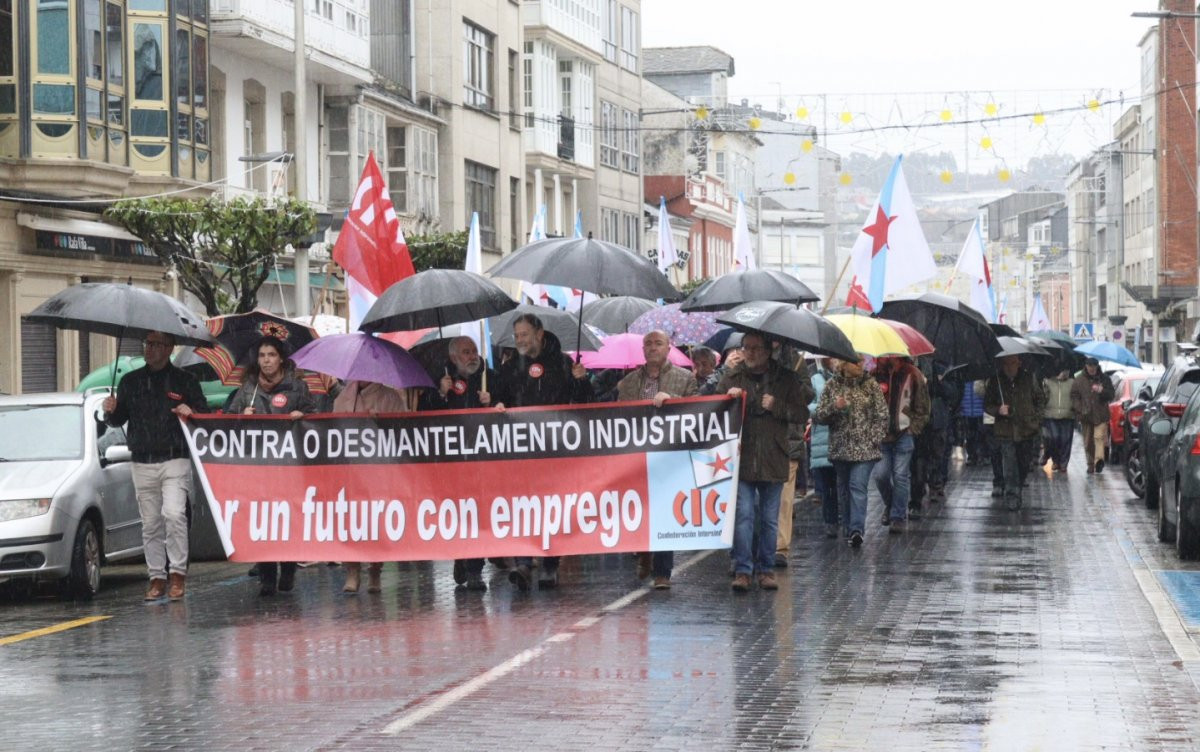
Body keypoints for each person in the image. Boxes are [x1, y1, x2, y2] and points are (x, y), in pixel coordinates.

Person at [102, 331, 206, 601]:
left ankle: (178, 575)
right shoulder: (130, 382)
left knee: (173, 515)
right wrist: (110, 410)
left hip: (175, 458)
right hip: (142, 460)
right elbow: (116, 421)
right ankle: (156, 577)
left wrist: (191, 412)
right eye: (148, 344)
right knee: (150, 523)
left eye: (157, 344)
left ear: (170, 348)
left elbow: (202, 415)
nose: (150, 349)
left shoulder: (185, 381)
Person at [493, 313, 593, 590]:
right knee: (524, 506)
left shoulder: (564, 363)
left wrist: (582, 381)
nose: (520, 340)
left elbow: (586, 403)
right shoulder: (511, 366)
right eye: (516, 336)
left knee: (552, 508)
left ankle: (550, 565)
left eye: (524, 334)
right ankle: (524, 563)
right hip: (522, 451)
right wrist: (498, 405)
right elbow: (500, 399)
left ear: (539, 333)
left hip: (555, 450)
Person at [717, 332, 812, 592]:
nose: (750, 353)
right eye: (746, 348)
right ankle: (743, 568)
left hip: (774, 455)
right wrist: (729, 397)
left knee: (770, 518)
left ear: (768, 350)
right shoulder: (733, 376)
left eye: (756, 348)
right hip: (743, 457)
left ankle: (766, 568)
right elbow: (712, 405)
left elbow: (802, 411)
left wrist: (777, 406)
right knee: (744, 515)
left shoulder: (786, 377)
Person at [226, 336, 318, 595]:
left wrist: (303, 417)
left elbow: (317, 419)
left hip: (289, 468)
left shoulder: (297, 388)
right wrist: (241, 417)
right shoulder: (248, 390)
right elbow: (226, 422)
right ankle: (267, 575)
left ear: (281, 359)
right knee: (263, 519)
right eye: (262, 355)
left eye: (271, 355)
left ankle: (288, 567)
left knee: (287, 517)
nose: (266, 360)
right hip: (259, 467)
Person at [617, 330, 698, 589]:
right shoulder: (628, 382)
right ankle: (644, 553)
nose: (652, 348)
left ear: (668, 347)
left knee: (664, 510)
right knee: (639, 509)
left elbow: (699, 412)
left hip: (669, 456)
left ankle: (663, 571)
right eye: (648, 344)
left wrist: (674, 402)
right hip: (636, 455)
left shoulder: (685, 379)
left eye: (658, 343)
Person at [421, 336, 500, 591]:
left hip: (481, 460)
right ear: (454, 357)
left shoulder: (490, 376)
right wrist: (440, 394)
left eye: (474, 350)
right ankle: (461, 555)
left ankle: (475, 568)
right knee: (459, 514)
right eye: (466, 352)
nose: (472, 356)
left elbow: (507, 408)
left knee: (477, 513)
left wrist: (493, 403)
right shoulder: (441, 379)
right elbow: (423, 415)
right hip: (452, 462)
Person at [333, 379, 408, 594]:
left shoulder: (390, 397)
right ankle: (352, 570)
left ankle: (375, 569)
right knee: (351, 519)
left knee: (376, 520)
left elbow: (404, 430)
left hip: (379, 468)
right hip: (350, 467)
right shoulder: (343, 397)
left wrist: (382, 422)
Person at [812, 357, 888, 547]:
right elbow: (820, 416)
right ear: (844, 364)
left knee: (857, 486)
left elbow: (882, 415)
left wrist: (874, 438)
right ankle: (848, 526)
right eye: (856, 362)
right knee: (844, 489)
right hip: (840, 448)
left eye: (862, 362)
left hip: (865, 450)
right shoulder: (832, 385)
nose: (861, 365)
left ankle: (856, 529)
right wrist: (835, 408)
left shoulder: (870, 385)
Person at [870, 356, 930, 533]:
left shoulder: (913, 374)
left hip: (904, 434)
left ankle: (897, 516)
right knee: (880, 476)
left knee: (900, 476)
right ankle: (890, 504)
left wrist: (914, 428)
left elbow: (923, 407)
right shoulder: (874, 376)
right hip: (881, 436)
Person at [984, 354, 1046, 510]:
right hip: (1006, 430)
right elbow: (987, 404)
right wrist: (998, 410)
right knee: (1009, 463)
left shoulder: (1029, 379)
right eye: (1006, 363)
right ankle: (1012, 496)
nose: (1009, 367)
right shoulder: (996, 381)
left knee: (1023, 464)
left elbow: (1040, 400)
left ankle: (1017, 488)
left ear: (1019, 363)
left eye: (1013, 363)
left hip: (1026, 429)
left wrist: (1036, 420)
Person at [775, 347, 811, 566]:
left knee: (784, 498)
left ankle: (780, 547)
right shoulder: (749, 360)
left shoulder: (797, 362)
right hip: (757, 442)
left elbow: (806, 397)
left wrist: (793, 381)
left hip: (788, 440)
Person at [807, 358, 839, 539]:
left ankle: (849, 520)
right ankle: (831, 521)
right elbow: (809, 406)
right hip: (822, 439)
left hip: (843, 438)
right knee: (827, 485)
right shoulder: (816, 380)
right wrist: (828, 408)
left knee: (844, 484)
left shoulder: (846, 381)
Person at [1071, 357, 1116, 474]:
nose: (1091, 368)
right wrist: (1080, 408)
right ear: (1086, 366)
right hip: (1086, 415)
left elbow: (1111, 394)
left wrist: (1102, 391)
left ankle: (1098, 461)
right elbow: (1074, 396)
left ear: (1097, 366)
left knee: (1099, 437)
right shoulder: (1079, 380)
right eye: (1089, 366)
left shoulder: (1104, 379)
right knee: (1088, 442)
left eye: (1094, 366)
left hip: (1101, 415)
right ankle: (1090, 464)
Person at [1042, 367, 1075, 472]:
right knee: (1053, 439)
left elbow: (1077, 396)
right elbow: (1043, 397)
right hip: (1051, 415)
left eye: (1067, 371)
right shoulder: (1048, 382)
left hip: (1067, 415)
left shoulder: (1072, 383)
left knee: (1066, 440)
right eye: (1063, 370)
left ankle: (1063, 463)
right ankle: (1056, 460)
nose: (1065, 373)